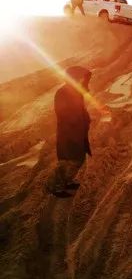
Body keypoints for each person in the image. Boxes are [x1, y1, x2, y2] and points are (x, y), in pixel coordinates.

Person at [47, 66, 92, 198]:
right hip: (68, 133)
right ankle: (54, 187)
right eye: (78, 77)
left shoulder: (75, 90)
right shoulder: (62, 92)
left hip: (78, 131)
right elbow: (62, 113)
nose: (80, 79)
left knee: (78, 158)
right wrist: (74, 123)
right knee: (67, 160)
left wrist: (87, 77)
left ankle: (67, 181)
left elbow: (84, 89)